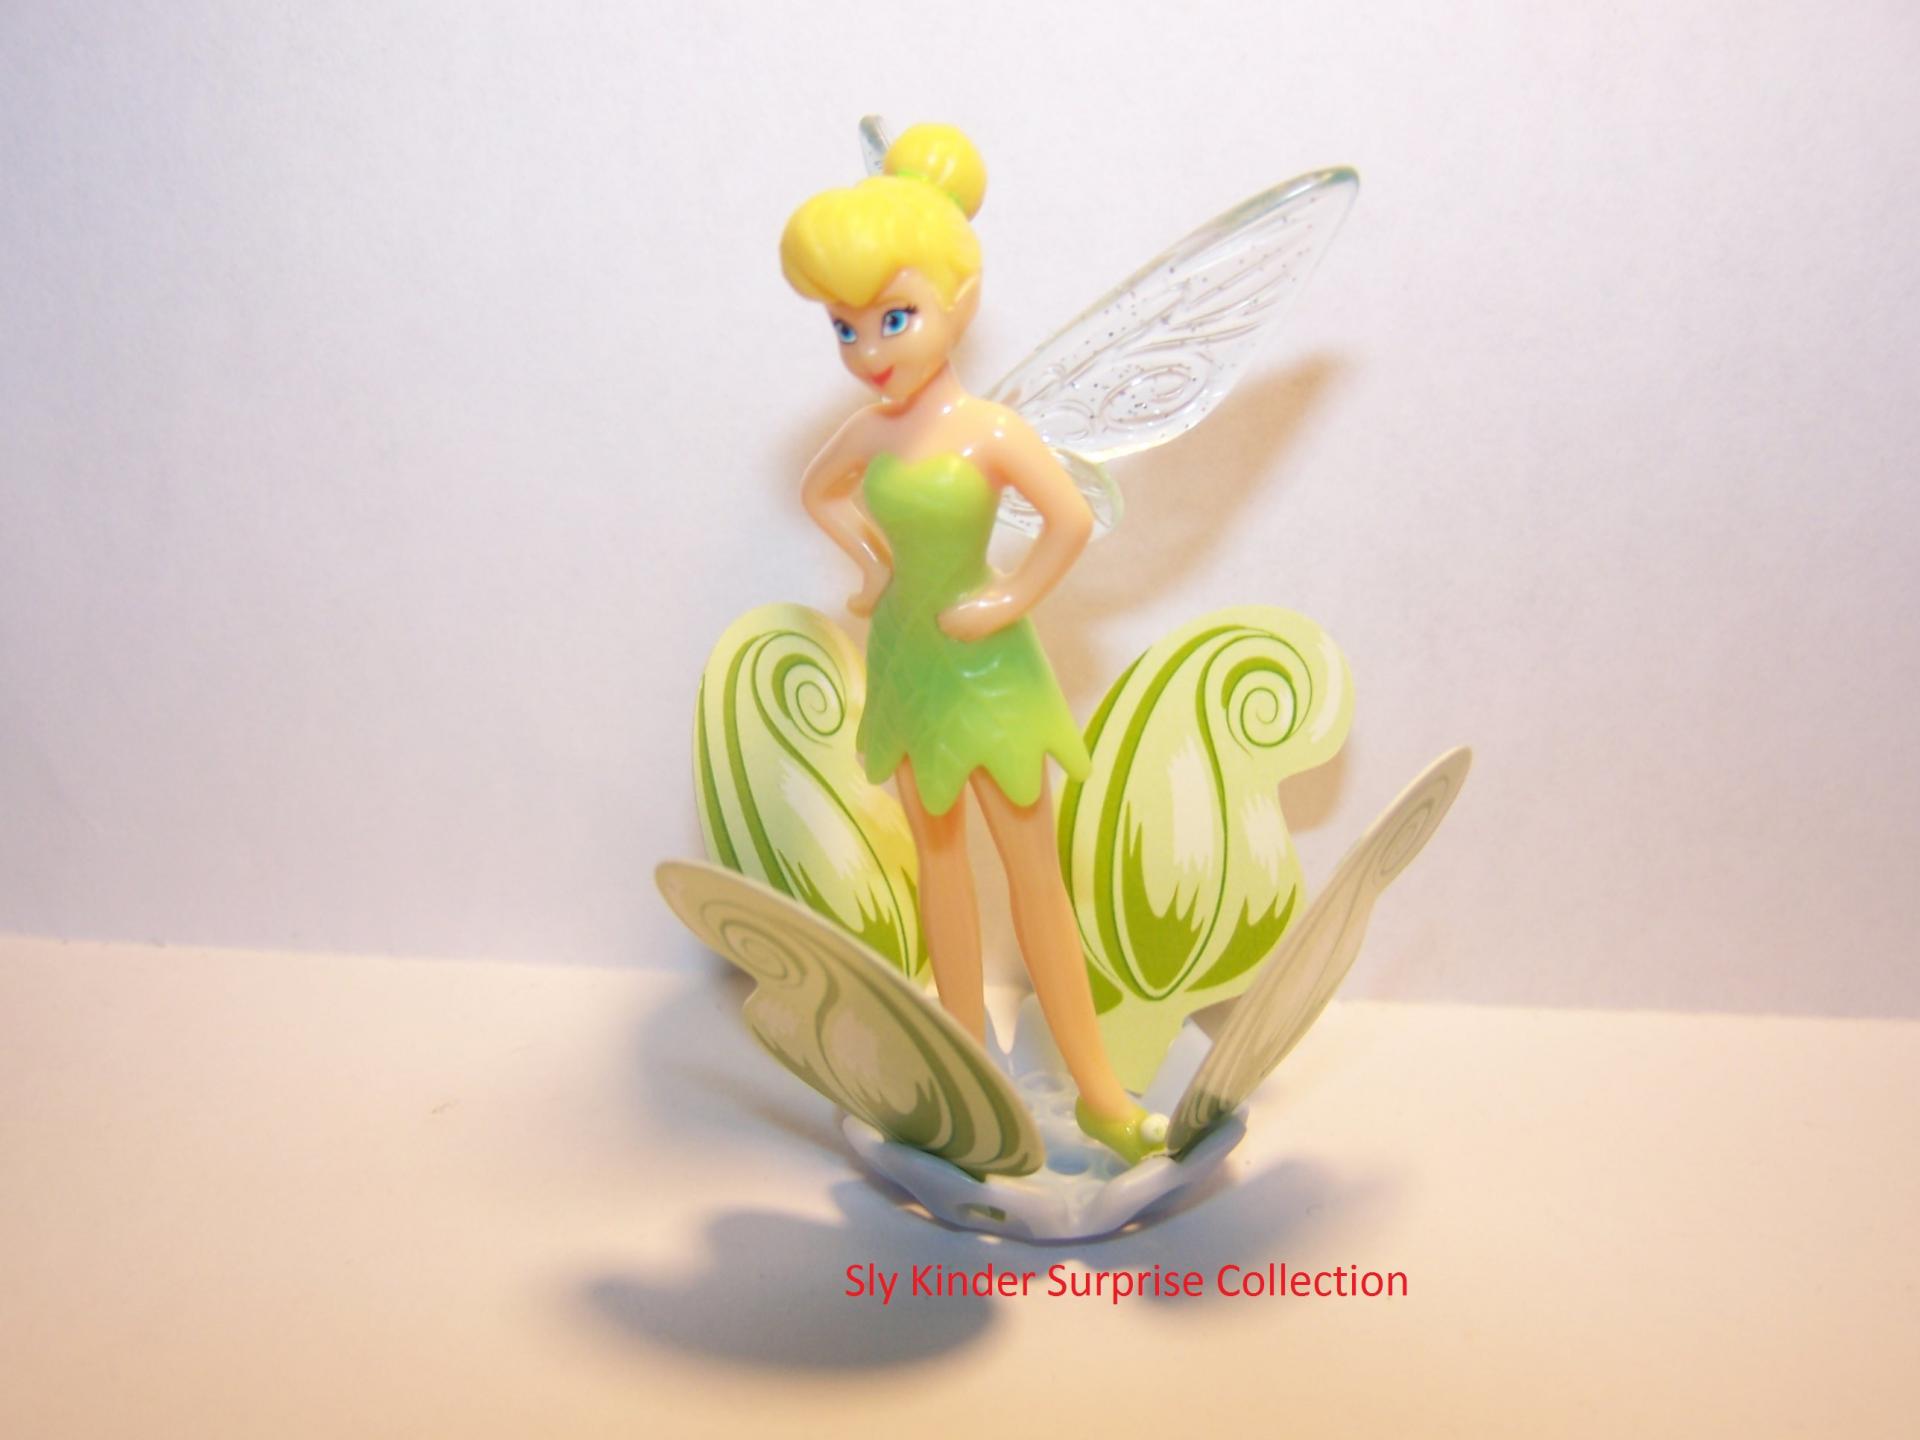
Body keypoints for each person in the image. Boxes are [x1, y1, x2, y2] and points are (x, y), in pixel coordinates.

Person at [780, 123, 1165, 1163]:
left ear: (961, 302)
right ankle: (970, 1083)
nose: (870, 353)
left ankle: (1099, 1094)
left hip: (990, 674)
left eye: (893, 318)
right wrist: (873, 569)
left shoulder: (989, 432)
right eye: (845, 328)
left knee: (1033, 877)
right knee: (939, 870)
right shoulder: (871, 434)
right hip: (911, 661)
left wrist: (1006, 602)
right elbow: (818, 493)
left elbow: (1069, 522)